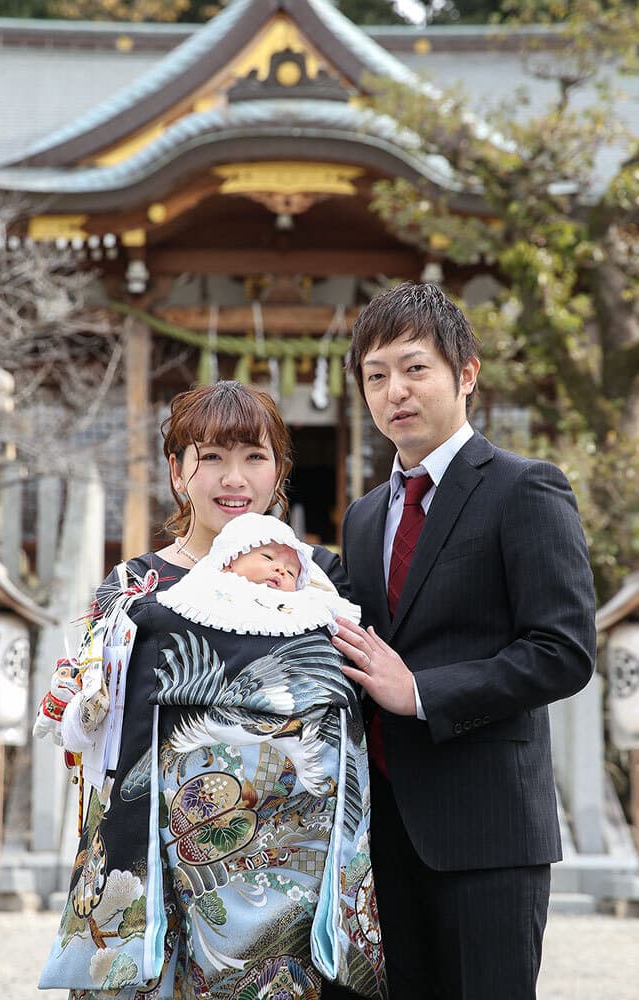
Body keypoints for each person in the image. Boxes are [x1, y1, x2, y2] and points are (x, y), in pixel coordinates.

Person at [34, 382, 385, 1000]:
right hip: (158, 843)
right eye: (212, 457)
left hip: (287, 863)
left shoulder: (319, 577)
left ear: (279, 471)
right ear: (177, 471)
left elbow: (349, 702)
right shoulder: (136, 585)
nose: (235, 478)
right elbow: (96, 716)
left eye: (255, 457)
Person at [328, 282, 596, 1000]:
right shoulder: (362, 517)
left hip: (488, 831)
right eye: (376, 376)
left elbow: (563, 650)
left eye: (415, 368)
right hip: (380, 836)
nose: (395, 392)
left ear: (466, 373)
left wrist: (421, 692)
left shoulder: (524, 488)